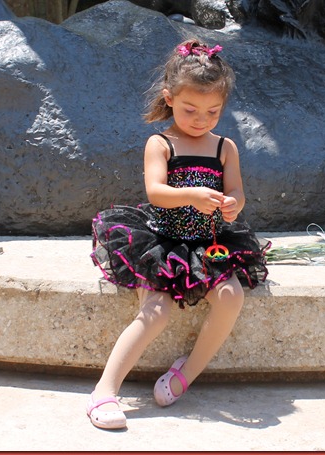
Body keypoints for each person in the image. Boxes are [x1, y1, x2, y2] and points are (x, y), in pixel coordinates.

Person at [86, 38, 270, 430]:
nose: (201, 119)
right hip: (163, 243)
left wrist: (232, 204)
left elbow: (237, 192)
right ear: (169, 98)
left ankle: (186, 373)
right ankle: (104, 390)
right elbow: (156, 192)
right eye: (190, 109)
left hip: (209, 243)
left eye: (213, 111)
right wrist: (191, 194)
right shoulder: (161, 143)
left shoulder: (224, 147)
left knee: (231, 296)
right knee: (156, 312)